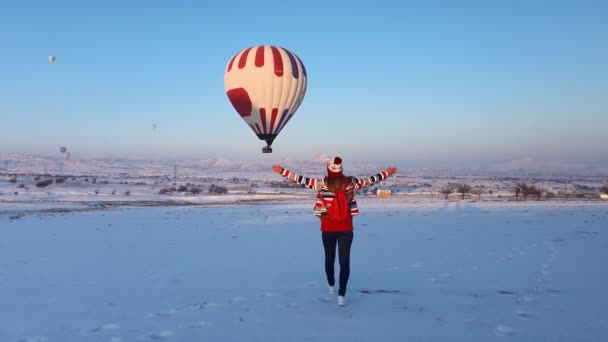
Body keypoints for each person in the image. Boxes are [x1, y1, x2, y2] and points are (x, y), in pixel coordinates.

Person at [272, 157, 397, 306]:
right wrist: (388, 173)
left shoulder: (321, 184)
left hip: (327, 228)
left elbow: (300, 179)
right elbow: (370, 180)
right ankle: (341, 296)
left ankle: (331, 285)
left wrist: (282, 171)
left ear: (328, 170)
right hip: (346, 228)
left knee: (329, 258)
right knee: (345, 262)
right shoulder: (351, 183)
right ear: (341, 170)